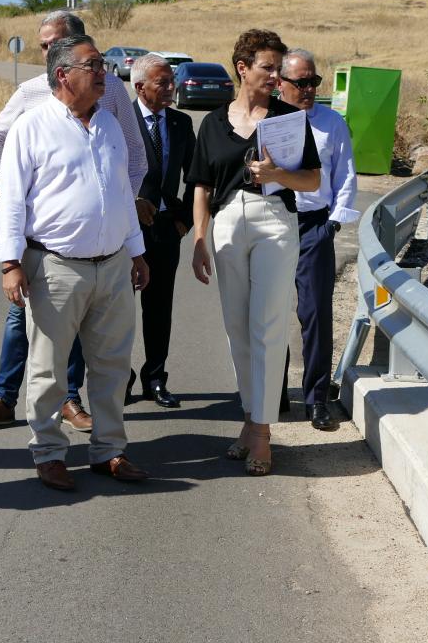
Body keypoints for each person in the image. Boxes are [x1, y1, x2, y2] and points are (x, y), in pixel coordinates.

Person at [0, 10, 149, 433]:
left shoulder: (110, 117)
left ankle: (109, 449)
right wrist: (10, 260)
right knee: (42, 358)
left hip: (112, 263)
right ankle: (40, 440)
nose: (102, 72)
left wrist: (135, 249)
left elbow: (123, 182)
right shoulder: (30, 111)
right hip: (50, 262)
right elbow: (10, 190)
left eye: (102, 65)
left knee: (110, 364)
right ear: (63, 74)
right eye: (94, 66)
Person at [188, 29, 320, 476]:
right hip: (227, 222)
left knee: (267, 325)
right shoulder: (212, 123)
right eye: (267, 67)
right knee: (236, 329)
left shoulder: (288, 118)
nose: (275, 76)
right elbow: (202, 187)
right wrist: (199, 240)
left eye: (278, 69)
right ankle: (249, 419)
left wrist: (278, 172)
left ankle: (262, 432)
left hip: (274, 221)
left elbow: (313, 181)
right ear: (242, 68)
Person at [278, 49, 358, 431]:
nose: (309, 89)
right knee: (271, 312)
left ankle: (316, 400)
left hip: (315, 226)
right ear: (281, 83)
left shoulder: (332, 123)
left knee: (315, 315)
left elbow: (346, 176)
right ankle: (274, 395)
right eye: (301, 83)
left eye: (314, 82)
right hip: (275, 223)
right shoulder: (269, 119)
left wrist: (334, 223)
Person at [125, 54, 196, 408]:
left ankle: (155, 378)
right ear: (140, 87)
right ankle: (120, 378)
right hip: (126, 233)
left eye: (172, 81)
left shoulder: (182, 123)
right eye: (162, 83)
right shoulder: (120, 121)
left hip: (167, 231)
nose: (171, 88)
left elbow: (196, 177)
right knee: (120, 309)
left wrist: (185, 221)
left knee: (159, 309)